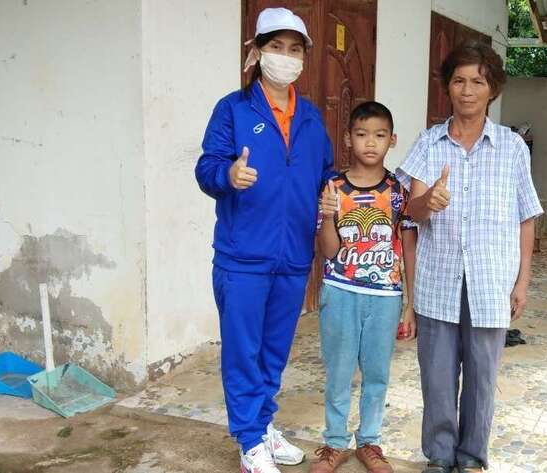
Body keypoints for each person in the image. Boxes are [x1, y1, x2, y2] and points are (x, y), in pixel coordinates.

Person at [194, 7, 335, 473]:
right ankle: (249, 441)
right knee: (243, 352)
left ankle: (263, 425)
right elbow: (207, 167)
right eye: (276, 47)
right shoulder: (233, 109)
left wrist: (332, 195)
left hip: (293, 256)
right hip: (243, 257)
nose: (285, 57)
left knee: (274, 352)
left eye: (295, 49)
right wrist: (228, 175)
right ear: (256, 52)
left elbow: (325, 172)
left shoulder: (310, 117)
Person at [396, 41, 543, 473]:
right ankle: (440, 457)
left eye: (477, 81)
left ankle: (472, 458)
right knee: (437, 376)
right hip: (438, 278)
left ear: (492, 88)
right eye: (458, 81)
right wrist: (428, 202)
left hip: (491, 281)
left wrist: (522, 281)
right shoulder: (429, 143)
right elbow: (411, 212)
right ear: (447, 87)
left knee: (482, 377)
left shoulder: (512, 147)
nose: (467, 90)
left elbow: (526, 218)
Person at [309, 102, 417, 473]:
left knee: (377, 373)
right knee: (339, 371)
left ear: (392, 140)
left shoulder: (399, 191)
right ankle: (335, 443)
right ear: (347, 138)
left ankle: (369, 441)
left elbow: (408, 245)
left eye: (380, 135)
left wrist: (410, 302)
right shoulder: (333, 187)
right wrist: (326, 215)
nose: (370, 143)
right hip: (340, 291)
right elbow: (329, 251)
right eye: (361, 134)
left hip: (385, 296)